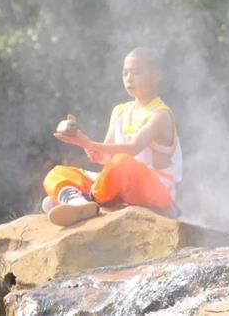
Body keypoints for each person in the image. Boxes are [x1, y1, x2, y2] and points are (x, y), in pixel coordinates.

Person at [42, 47, 183, 226]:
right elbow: (107, 158)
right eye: (125, 73)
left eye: (136, 72)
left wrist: (91, 143)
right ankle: (79, 205)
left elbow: (132, 148)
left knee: (123, 163)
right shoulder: (119, 111)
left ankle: (78, 198)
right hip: (120, 185)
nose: (129, 78)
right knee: (56, 173)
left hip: (157, 193)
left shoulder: (161, 114)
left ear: (156, 76)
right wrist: (90, 148)